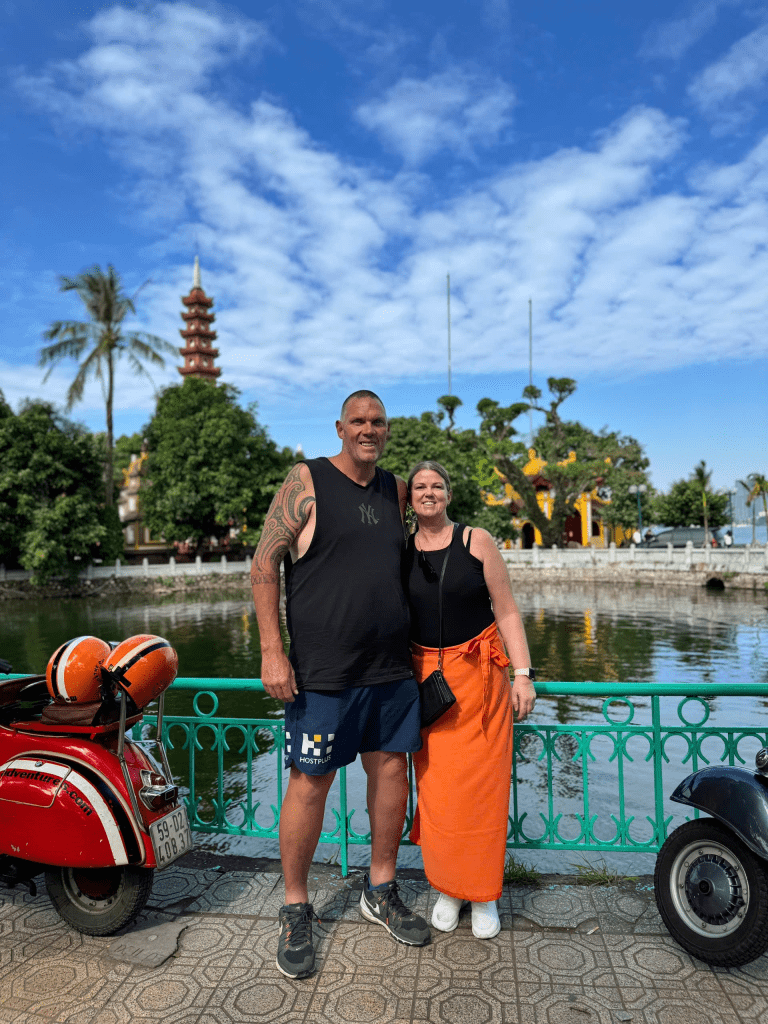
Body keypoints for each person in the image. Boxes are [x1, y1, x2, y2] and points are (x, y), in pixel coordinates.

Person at [250, 390, 430, 980]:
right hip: (323, 675)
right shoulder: (306, 482)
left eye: (378, 421)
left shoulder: (396, 489)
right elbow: (262, 564)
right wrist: (273, 652)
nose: (369, 429)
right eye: (359, 421)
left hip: (390, 669)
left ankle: (380, 888)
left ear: (387, 429)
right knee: (309, 783)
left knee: (390, 774)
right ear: (340, 427)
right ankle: (296, 905)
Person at [404, 461, 536, 939]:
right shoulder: (402, 551)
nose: (429, 492)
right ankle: (449, 887)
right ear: (411, 498)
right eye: (420, 486)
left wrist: (523, 674)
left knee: (483, 793)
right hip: (428, 687)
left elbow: (506, 610)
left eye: (437, 484)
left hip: (483, 684)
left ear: (449, 493)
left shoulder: (476, 541)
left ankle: (484, 893)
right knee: (437, 793)